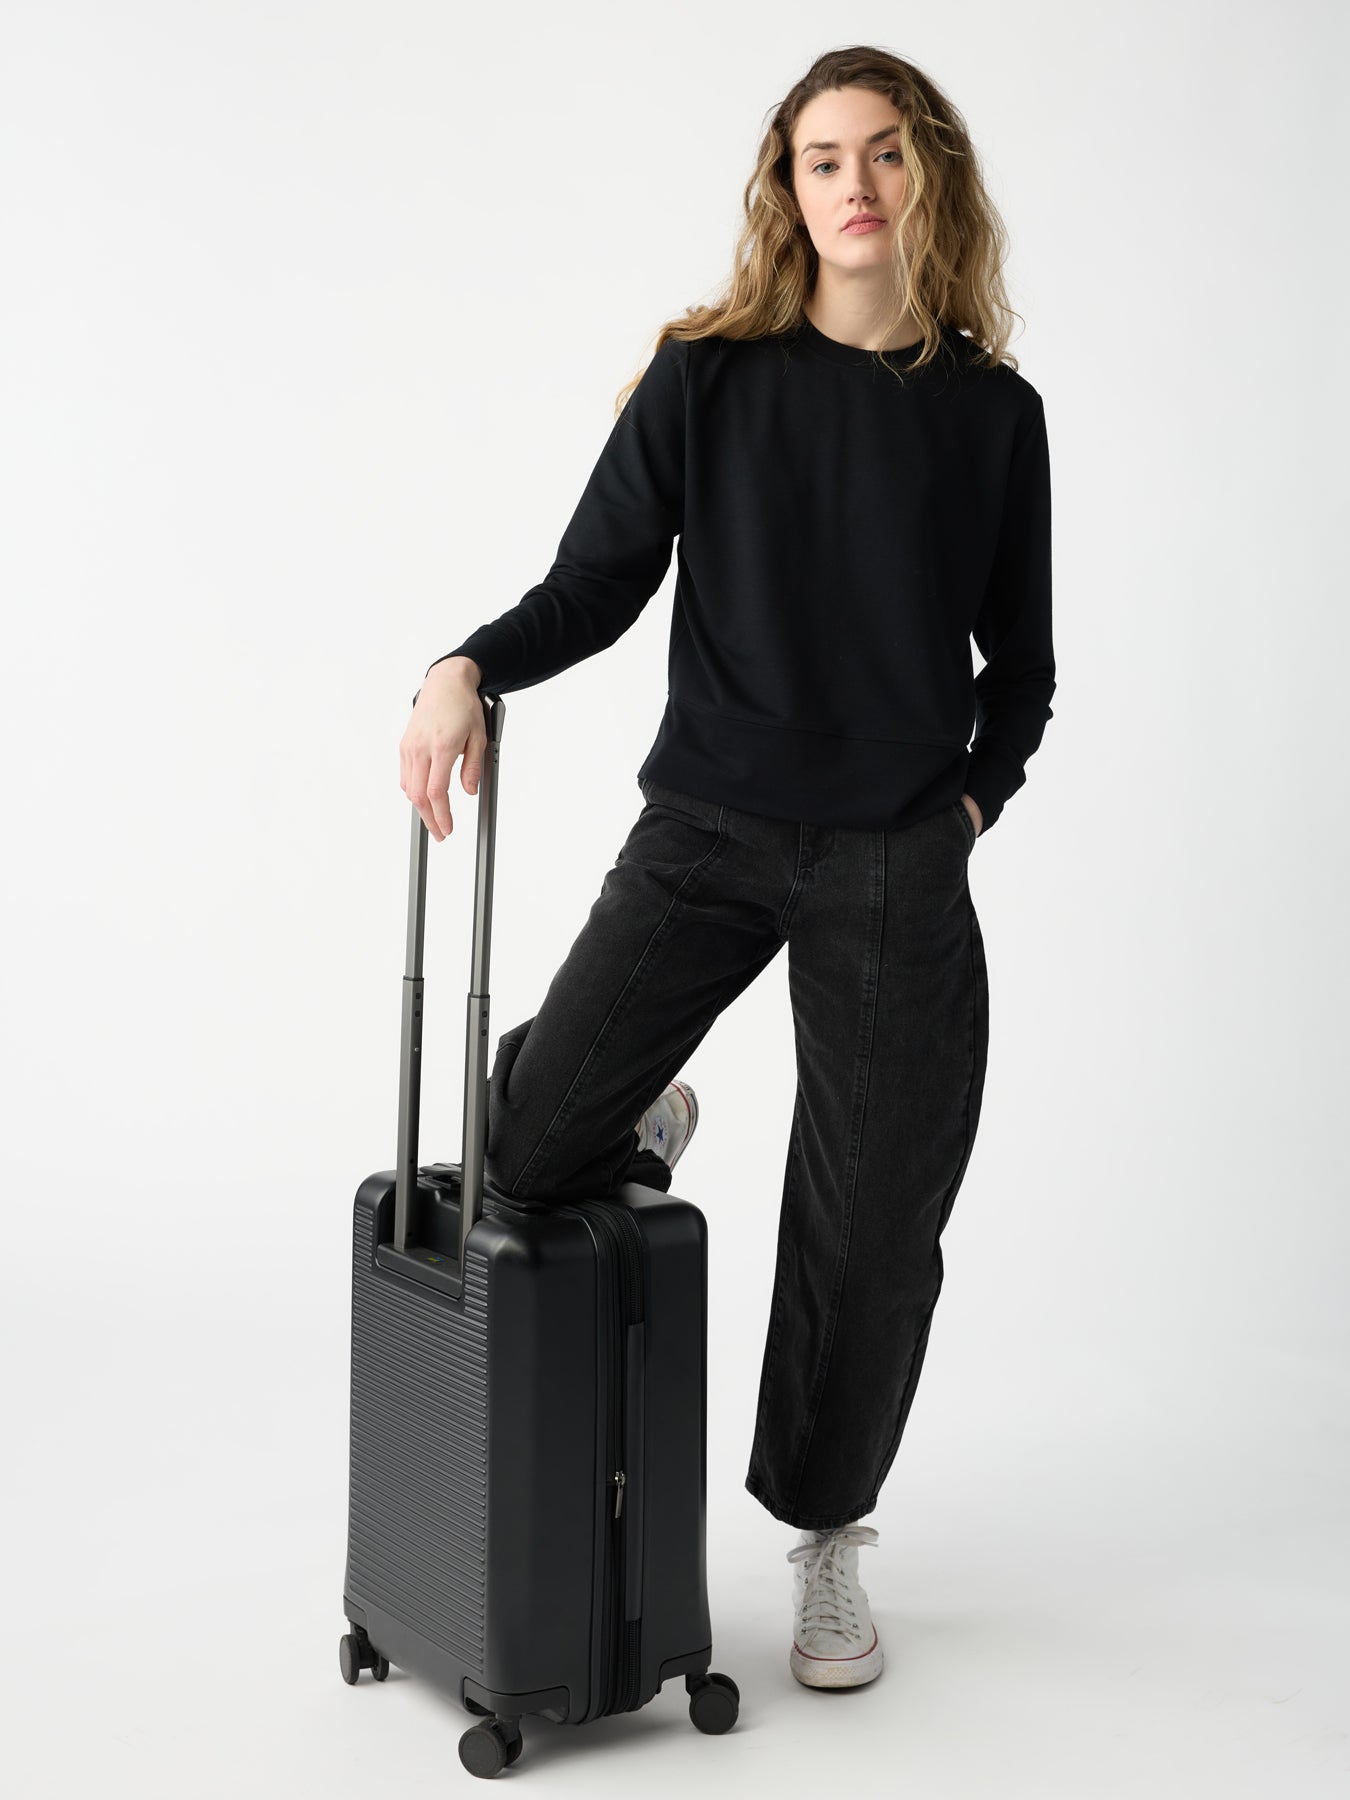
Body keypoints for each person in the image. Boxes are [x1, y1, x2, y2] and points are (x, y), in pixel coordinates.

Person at [398, 45, 1054, 1693]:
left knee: (874, 1223)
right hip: (705, 832)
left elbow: (1021, 669)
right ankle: (642, 1111)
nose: (853, 183)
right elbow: (595, 584)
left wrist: (965, 807)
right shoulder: (710, 376)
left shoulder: (990, 414)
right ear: (785, 185)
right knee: (526, 1146)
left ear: (928, 179)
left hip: (897, 862)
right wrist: (465, 664)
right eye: (821, 156)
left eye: (883, 153)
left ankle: (829, 1540)